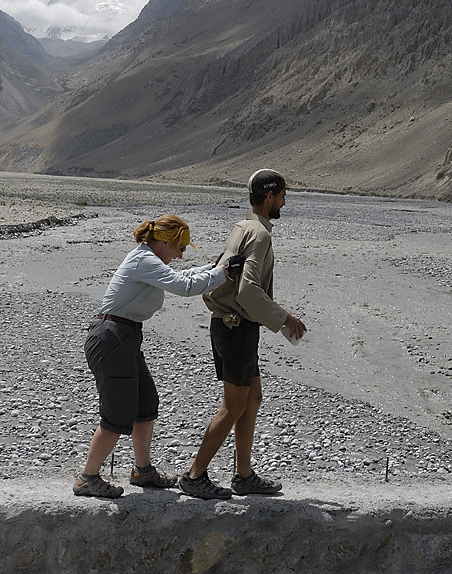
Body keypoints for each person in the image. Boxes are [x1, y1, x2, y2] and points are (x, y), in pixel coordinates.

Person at [74, 214, 244, 498]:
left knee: (145, 403)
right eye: (180, 247)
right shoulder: (145, 260)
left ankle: (143, 471)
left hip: (123, 336)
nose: (181, 254)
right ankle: (87, 477)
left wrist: (215, 268)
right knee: (117, 413)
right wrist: (222, 274)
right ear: (165, 241)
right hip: (113, 337)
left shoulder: (149, 260)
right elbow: (184, 287)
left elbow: (183, 276)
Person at [179, 169, 307, 499]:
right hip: (237, 329)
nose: (283, 201)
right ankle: (195, 476)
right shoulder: (260, 235)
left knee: (253, 398)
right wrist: (284, 318)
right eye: (281, 196)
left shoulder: (243, 226)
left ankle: (244, 475)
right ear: (269, 197)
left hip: (232, 327)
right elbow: (248, 291)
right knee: (233, 405)